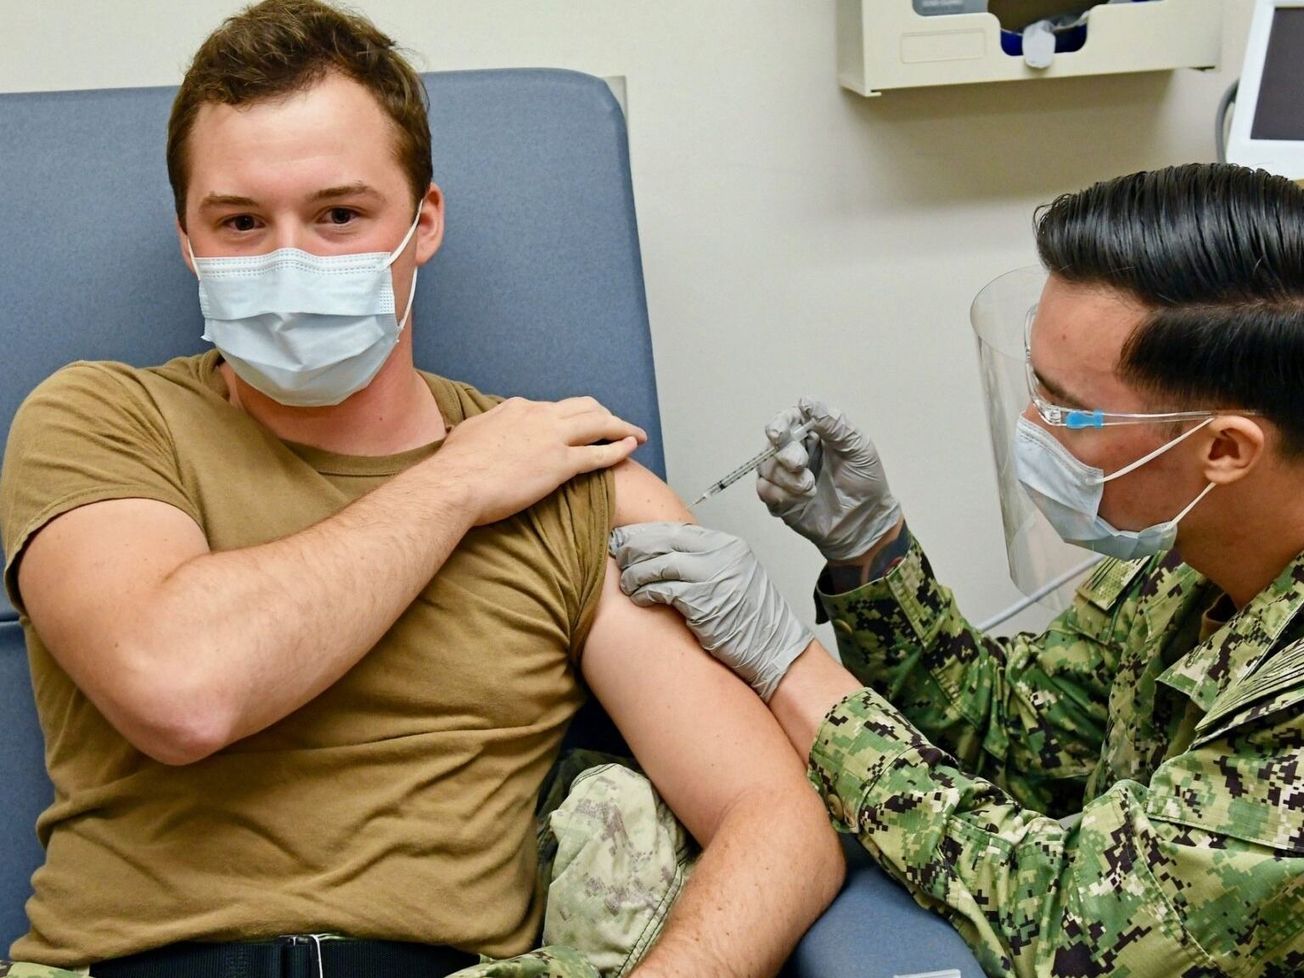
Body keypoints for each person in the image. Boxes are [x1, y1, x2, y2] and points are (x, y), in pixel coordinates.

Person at [0, 2, 844, 976]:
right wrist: (456, 482)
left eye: (339, 215)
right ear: (188, 240)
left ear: (422, 222)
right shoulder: (101, 421)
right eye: (239, 222)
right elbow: (182, 692)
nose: (290, 262)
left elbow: (776, 821)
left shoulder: (568, 481)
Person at [609, 163, 1304, 978]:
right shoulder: (1188, 554)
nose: (1032, 426)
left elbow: (1064, 918)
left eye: (1064, 407)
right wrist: (870, 552)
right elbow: (1022, 735)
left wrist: (786, 664)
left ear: (1223, 449)